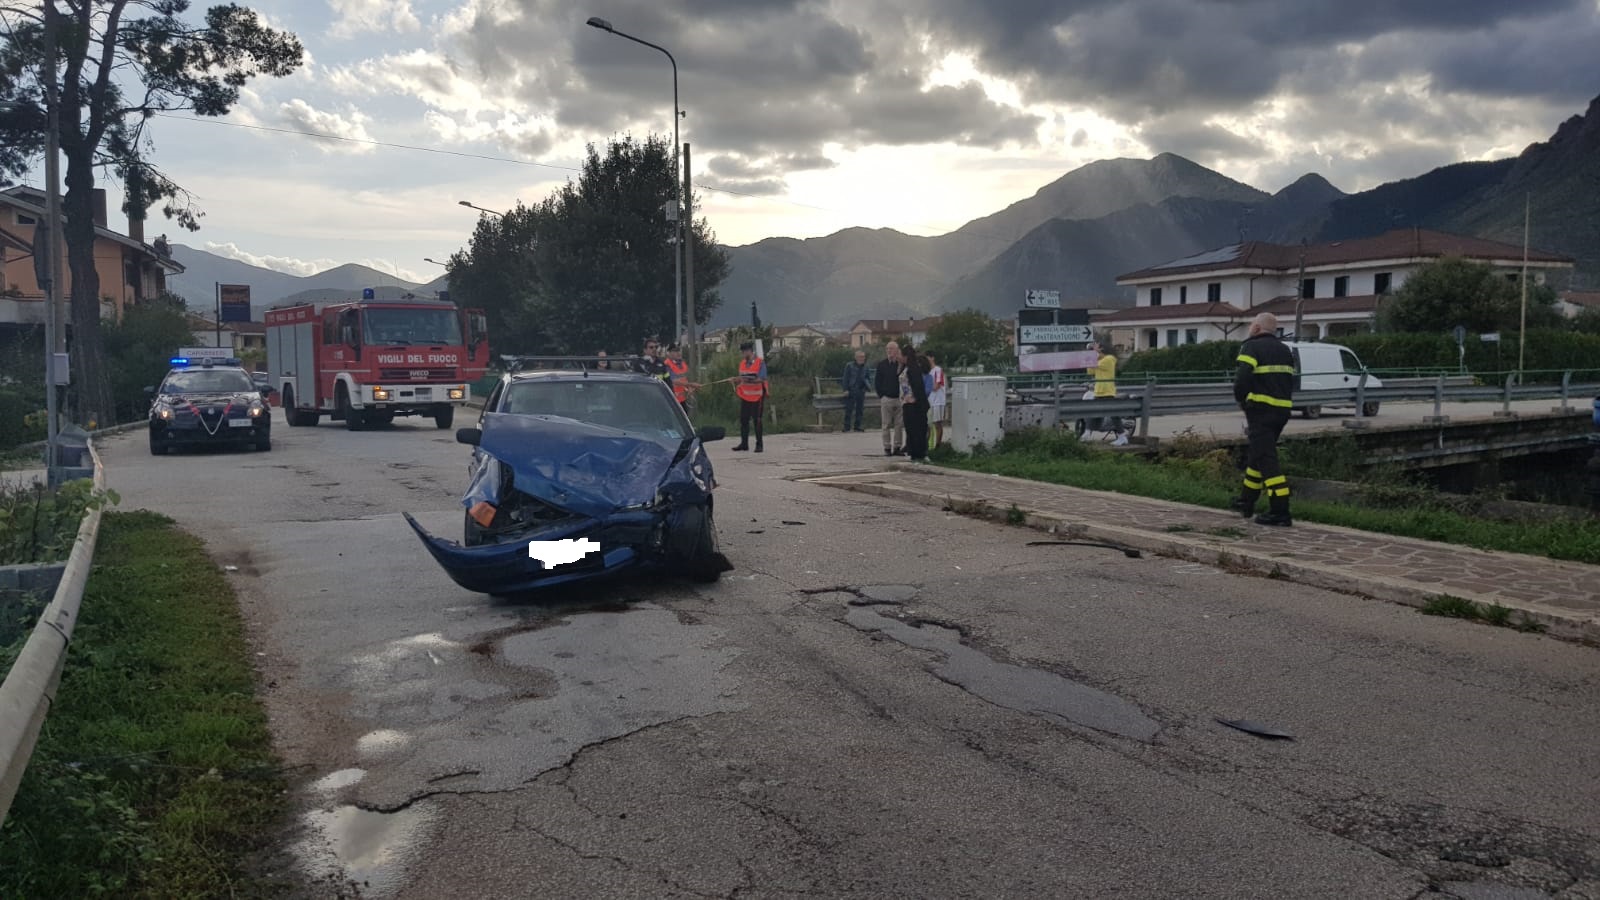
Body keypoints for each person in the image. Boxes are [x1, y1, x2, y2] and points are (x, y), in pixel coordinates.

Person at [1233, 312, 1296, 526]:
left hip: (1260, 411)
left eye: (1252, 324)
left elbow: (1242, 378)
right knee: (1258, 456)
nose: (1250, 328)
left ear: (1257, 328)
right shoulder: (1285, 350)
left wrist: (1242, 399)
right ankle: (1246, 500)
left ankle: (1280, 510)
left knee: (1267, 460)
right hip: (1282, 411)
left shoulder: (1251, 346)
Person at [1089, 342, 1129, 447]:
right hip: (1098, 391)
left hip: (1107, 391)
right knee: (1093, 412)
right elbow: (1090, 371)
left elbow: (1095, 364)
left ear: (1102, 349)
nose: (1093, 348)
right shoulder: (1099, 360)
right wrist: (1092, 357)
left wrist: (1093, 355)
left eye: (1096, 347)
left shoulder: (1109, 359)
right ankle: (1087, 434)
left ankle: (1122, 437)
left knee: (1113, 414)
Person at [732, 341, 768, 452]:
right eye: (742, 352)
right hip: (745, 395)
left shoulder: (760, 363)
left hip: (757, 396)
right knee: (744, 420)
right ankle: (744, 444)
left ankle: (759, 444)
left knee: (757, 420)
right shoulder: (742, 363)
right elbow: (742, 377)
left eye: (744, 352)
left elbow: (762, 379)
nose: (743, 354)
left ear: (749, 351)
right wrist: (736, 380)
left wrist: (748, 380)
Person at [875, 341, 906, 456]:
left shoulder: (901, 365)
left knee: (899, 425)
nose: (889, 351)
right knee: (886, 424)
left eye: (892, 348)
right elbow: (877, 382)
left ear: (897, 350)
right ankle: (887, 447)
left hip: (899, 398)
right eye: (888, 348)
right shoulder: (882, 365)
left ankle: (897, 446)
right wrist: (881, 396)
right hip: (886, 398)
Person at [901, 348, 931, 462]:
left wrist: (916, 399)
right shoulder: (906, 368)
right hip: (907, 402)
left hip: (914, 405)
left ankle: (919, 453)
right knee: (911, 429)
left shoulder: (913, 369)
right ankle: (913, 451)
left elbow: (917, 387)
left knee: (917, 430)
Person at [840, 350, 872, 432]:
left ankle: (857, 426)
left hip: (861, 390)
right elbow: (845, 378)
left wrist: (867, 387)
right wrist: (845, 389)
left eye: (863, 357)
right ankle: (847, 427)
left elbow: (868, 378)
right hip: (851, 390)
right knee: (849, 409)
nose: (862, 358)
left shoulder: (866, 367)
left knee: (860, 410)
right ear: (856, 357)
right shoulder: (849, 366)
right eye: (860, 357)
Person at [663, 344, 698, 409]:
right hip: (672, 399)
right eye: (675, 351)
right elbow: (673, 380)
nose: (678, 353)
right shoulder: (667, 364)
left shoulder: (682, 363)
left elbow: (686, 378)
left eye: (679, 350)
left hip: (683, 398)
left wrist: (689, 388)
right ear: (669, 353)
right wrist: (690, 384)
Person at [924, 352, 947, 448]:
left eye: (927, 358)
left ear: (932, 358)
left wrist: (927, 386)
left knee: (937, 423)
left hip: (938, 401)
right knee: (928, 425)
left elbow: (936, 386)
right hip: (929, 401)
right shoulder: (926, 371)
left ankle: (938, 445)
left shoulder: (938, 370)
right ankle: (926, 445)